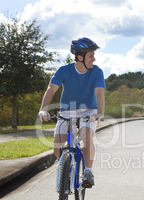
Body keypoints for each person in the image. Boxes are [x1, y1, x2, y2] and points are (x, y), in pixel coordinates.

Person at [38, 37, 105, 188]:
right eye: (90, 56)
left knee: (87, 137)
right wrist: (43, 109)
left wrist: (99, 113)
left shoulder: (97, 72)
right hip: (67, 112)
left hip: (89, 111)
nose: (93, 59)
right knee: (58, 148)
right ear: (80, 57)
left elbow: (100, 93)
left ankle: (88, 171)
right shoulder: (64, 71)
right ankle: (67, 166)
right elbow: (51, 89)